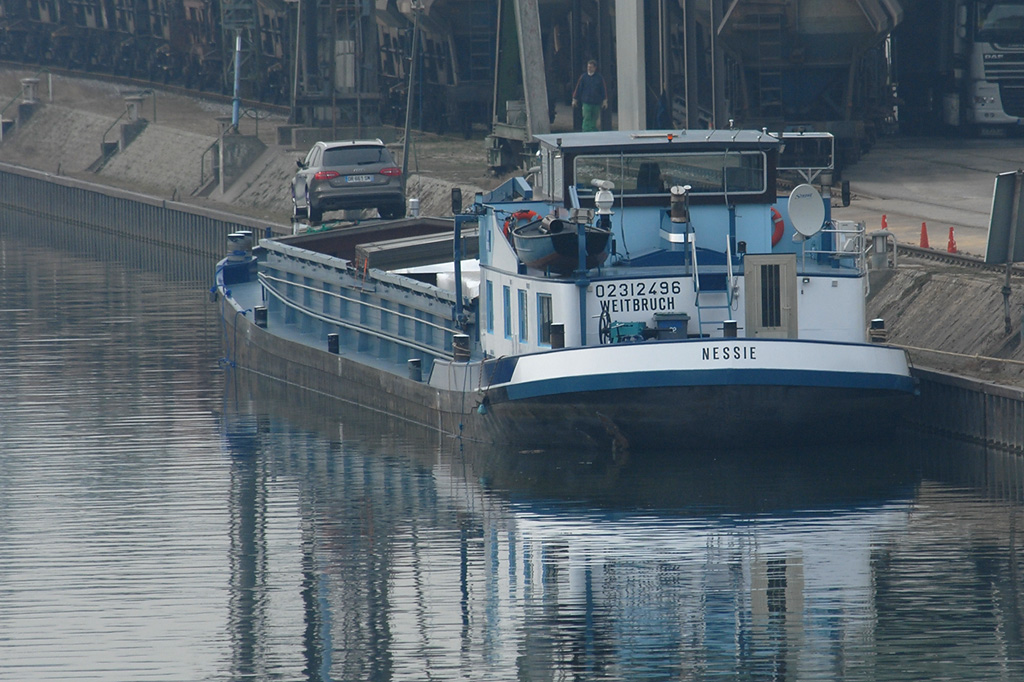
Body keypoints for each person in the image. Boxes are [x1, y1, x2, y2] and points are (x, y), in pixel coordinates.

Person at [572, 60, 607, 132]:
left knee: (594, 118)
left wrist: (605, 101)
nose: (589, 68)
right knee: (587, 117)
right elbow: (578, 88)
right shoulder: (583, 77)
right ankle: (586, 130)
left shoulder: (599, 78)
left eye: (591, 67)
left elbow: (603, 89)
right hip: (586, 102)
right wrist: (575, 99)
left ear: (595, 68)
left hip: (596, 102)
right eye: (588, 67)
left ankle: (593, 130)